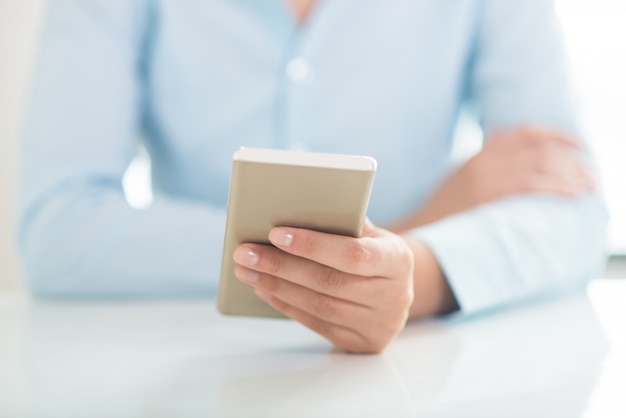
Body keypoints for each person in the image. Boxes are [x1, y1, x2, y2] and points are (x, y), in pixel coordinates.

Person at [19, 0, 607, 353]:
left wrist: (418, 275)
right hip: (199, 362)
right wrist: (397, 235)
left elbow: (576, 212)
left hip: (418, 375)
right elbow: (57, 227)